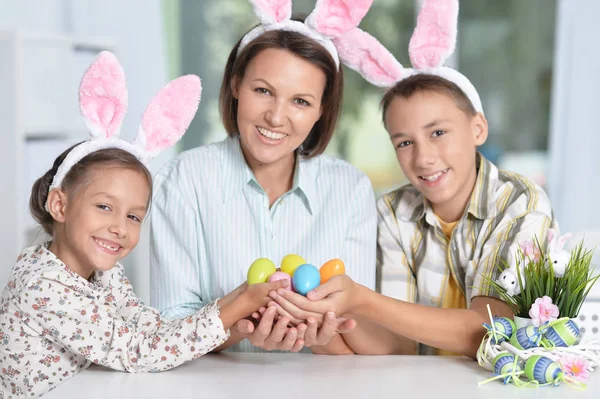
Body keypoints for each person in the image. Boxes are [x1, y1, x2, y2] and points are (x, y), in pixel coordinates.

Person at [268, 0, 556, 358]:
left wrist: (361, 300)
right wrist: (321, 321)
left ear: (478, 127)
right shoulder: (394, 212)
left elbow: (489, 331)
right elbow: (397, 348)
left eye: (438, 133)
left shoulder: (519, 203)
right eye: (404, 142)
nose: (423, 157)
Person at [0, 52, 287, 398]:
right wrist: (236, 306)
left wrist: (234, 303)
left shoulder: (102, 272)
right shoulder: (44, 286)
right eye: (105, 206)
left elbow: (148, 326)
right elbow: (139, 351)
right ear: (59, 204)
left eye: (133, 216)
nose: (119, 227)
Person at [149, 0, 385, 354]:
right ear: (235, 85)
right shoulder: (184, 180)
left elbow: (357, 329)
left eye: (301, 102)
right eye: (263, 91)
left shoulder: (349, 190)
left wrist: (320, 335)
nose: (276, 117)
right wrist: (242, 325)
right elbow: (169, 329)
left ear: (322, 110)